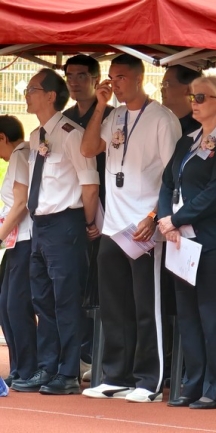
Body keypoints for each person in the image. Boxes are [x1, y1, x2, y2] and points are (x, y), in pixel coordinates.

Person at [80, 54, 181, 402]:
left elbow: (173, 176)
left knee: (146, 306)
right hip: (113, 226)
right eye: (110, 77)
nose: (114, 83)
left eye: (121, 77)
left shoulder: (162, 119)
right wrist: (100, 105)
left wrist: (153, 216)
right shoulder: (114, 115)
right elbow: (88, 148)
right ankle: (115, 376)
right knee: (114, 306)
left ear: (139, 79)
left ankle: (149, 380)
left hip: (143, 227)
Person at [11, 68, 100, 395]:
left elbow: (89, 185)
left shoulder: (71, 134)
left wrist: (87, 224)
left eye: (32, 89)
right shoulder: (37, 136)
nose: (27, 94)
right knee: (42, 300)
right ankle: (48, 367)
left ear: (50, 96)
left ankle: (68, 371)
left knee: (66, 300)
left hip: (66, 224)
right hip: (41, 226)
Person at [158, 75, 216, 409]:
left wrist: (177, 219)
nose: (194, 103)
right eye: (193, 97)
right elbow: (167, 183)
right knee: (189, 315)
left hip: (215, 241)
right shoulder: (188, 140)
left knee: (214, 315)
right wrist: (166, 220)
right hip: (182, 241)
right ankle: (192, 383)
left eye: (201, 98)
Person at [62, 54, 115, 383]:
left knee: (103, 286)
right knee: (76, 286)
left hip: (108, 209)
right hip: (73, 211)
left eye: (82, 75)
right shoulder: (64, 119)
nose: (75, 81)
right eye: (69, 76)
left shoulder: (111, 115)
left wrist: (95, 216)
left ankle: (102, 355)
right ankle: (80, 354)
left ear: (96, 79)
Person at [0, 116, 35, 388]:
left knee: (16, 305)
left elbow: (21, 203)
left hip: (25, 240)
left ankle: (27, 368)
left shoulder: (20, 156)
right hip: (16, 241)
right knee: (6, 304)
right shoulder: (19, 156)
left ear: (2, 138)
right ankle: (18, 367)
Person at [162, 65, 203, 135]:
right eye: (162, 84)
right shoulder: (166, 124)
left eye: (166, 84)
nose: (162, 89)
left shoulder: (199, 131)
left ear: (189, 89)